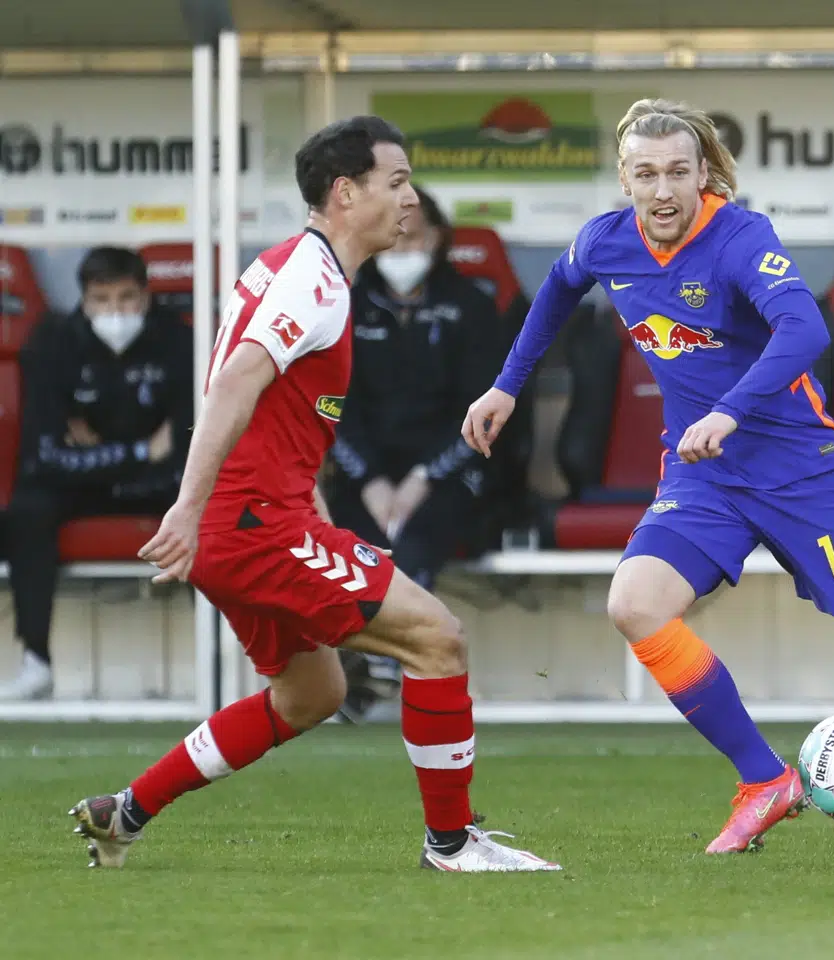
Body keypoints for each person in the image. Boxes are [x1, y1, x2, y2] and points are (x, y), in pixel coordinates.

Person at [462, 98, 834, 855]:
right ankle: (764, 779)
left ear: (702, 175)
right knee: (635, 604)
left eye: (678, 173)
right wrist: (507, 384)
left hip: (800, 473)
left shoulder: (739, 237)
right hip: (704, 478)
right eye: (646, 174)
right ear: (624, 180)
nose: (663, 191)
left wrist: (727, 409)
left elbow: (805, 329)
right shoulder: (605, 242)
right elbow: (557, 288)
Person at [68, 115, 560, 874]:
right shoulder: (313, 278)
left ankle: (124, 813)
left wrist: (301, 516)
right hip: (248, 522)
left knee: (312, 693)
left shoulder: (299, 268)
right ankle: (453, 845)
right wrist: (190, 508)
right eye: (395, 184)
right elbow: (235, 383)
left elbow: (277, 420)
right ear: (345, 191)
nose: (409, 203)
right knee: (437, 638)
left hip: (260, 517)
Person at [326, 185, 509, 722]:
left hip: (452, 474)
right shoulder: (345, 305)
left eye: (417, 234)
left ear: (439, 238)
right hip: (369, 478)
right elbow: (333, 407)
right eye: (396, 234)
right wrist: (371, 481)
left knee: (422, 526)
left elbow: (488, 412)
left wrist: (423, 477)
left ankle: (392, 658)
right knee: (343, 532)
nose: (406, 246)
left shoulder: (470, 307)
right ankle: (353, 670)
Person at [0, 247, 192, 701]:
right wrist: (142, 448)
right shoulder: (54, 343)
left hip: (156, 486)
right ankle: (36, 663)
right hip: (83, 486)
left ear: (146, 296)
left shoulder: (178, 343)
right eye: (102, 300)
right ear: (84, 300)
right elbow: (44, 458)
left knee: (214, 505)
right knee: (29, 509)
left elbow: (184, 450)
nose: (115, 312)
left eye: (127, 298)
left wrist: (101, 451)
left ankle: (234, 657)